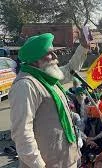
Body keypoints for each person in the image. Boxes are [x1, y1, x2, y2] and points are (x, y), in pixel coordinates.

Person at [9, 32, 89, 167]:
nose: (55, 57)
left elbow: (70, 70)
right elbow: (22, 133)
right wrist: (39, 165)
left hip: (66, 159)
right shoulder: (26, 85)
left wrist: (83, 47)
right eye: (50, 53)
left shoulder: (47, 78)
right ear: (35, 59)